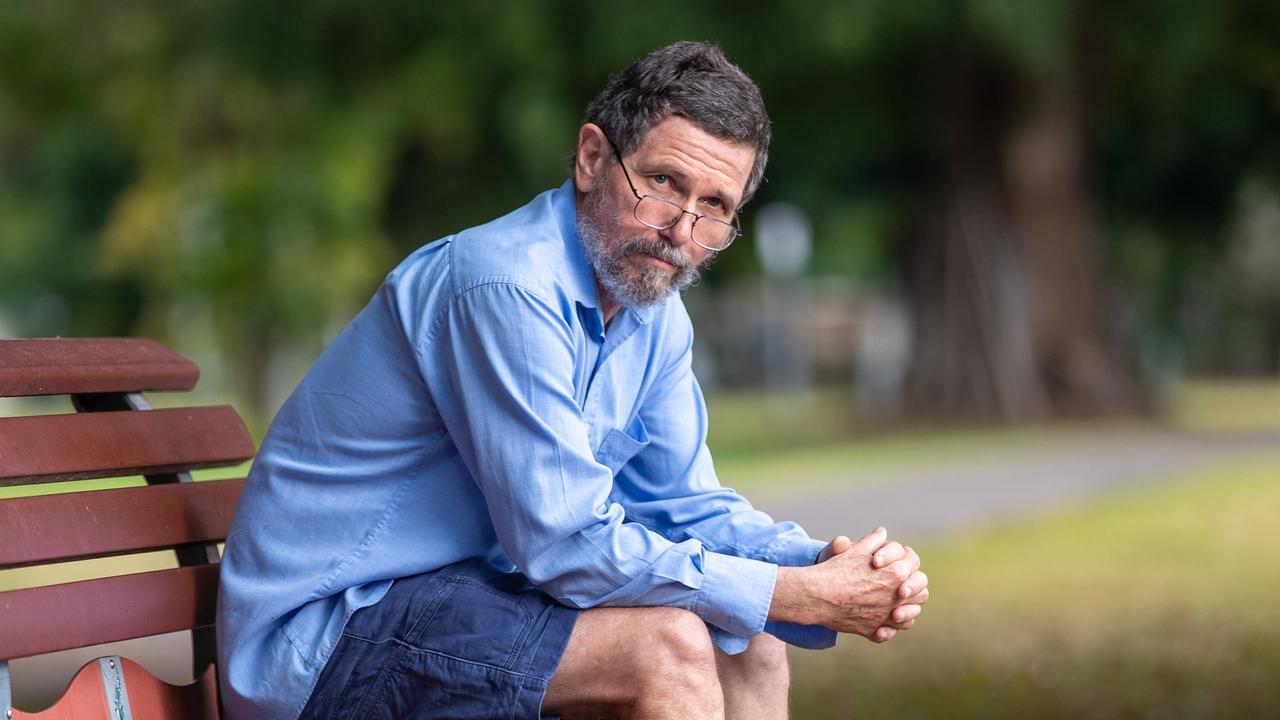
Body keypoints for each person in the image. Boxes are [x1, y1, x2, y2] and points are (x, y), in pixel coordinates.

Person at [217, 41, 928, 720]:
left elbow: (684, 506)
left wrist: (827, 568)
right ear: (592, 157)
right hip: (323, 637)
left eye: (715, 206)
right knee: (669, 647)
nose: (682, 232)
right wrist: (795, 593)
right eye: (663, 183)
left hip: (457, 601)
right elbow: (564, 545)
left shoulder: (655, 316)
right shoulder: (505, 287)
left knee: (749, 640)